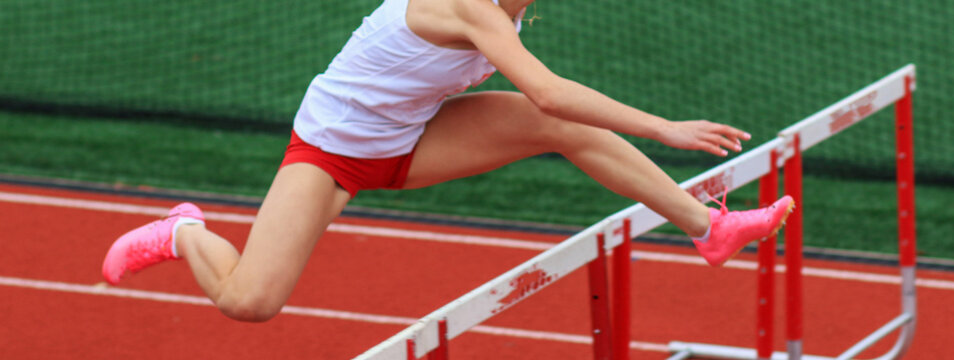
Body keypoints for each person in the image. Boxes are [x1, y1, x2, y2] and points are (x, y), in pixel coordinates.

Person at [102, 0, 793, 322]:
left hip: (410, 136)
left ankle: (707, 228)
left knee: (559, 129)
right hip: (330, 150)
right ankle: (185, 229)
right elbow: (548, 89)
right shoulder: (466, 5)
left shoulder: (510, 11)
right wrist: (663, 127)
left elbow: (549, 104)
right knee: (250, 303)